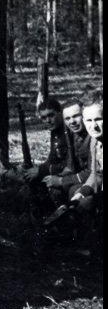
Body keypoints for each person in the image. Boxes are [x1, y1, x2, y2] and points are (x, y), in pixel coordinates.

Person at [46, 100, 103, 238]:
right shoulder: (96, 142)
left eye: (98, 119)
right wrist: (81, 193)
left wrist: (93, 200)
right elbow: (97, 174)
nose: (93, 125)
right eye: (88, 120)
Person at [42, 100, 91, 207]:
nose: (72, 122)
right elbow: (70, 164)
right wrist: (58, 178)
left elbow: (92, 172)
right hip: (84, 178)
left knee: (74, 190)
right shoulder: (72, 134)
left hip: (93, 180)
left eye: (76, 116)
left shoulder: (93, 135)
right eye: (67, 118)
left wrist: (62, 180)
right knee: (53, 187)